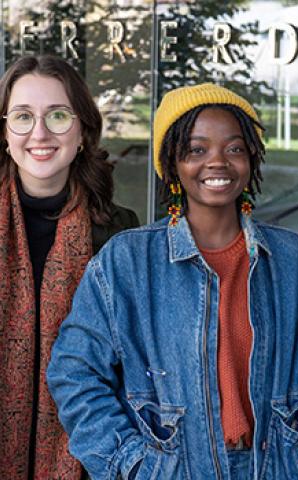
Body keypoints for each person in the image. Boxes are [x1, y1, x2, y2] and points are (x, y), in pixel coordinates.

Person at [47, 83, 298, 479]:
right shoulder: (128, 262)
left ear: (251, 158)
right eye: (197, 150)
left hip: (274, 467)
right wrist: (133, 465)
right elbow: (74, 373)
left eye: (234, 148)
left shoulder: (291, 260)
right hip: (173, 469)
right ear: (172, 163)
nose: (218, 161)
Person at [0, 55, 139, 480]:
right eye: (22, 116)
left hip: (86, 455)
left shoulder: (119, 231)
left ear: (82, 131)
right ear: (5, 132)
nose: (39, 133)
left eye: (58, 116)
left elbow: (128, 362)